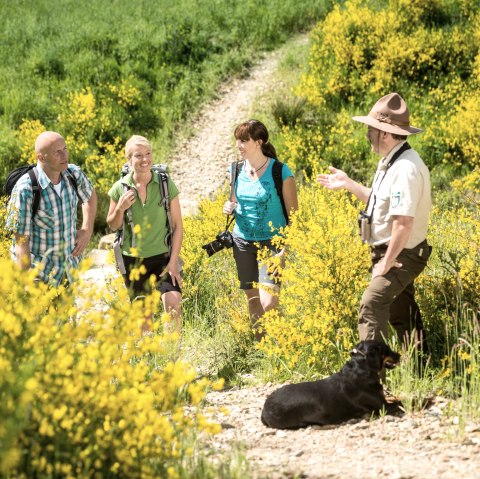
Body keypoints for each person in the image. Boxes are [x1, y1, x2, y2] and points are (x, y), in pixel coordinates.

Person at [317, 93, 431, 351]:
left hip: (402, 253)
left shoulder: (405, 169)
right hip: (395, 250)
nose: (367, 133)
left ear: (385, 134)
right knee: (401, 311)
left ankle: (370, 380)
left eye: (371, 129)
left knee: (371, 305)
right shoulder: (392, 162)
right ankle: (421, 365)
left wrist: (386, 264)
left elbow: (403, 223)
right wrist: (349, 184)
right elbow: (379, 200)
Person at [223, 119, 298, 341]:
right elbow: (234, 200)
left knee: (269, 302)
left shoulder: (281, 172)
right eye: (237, 139)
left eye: (244, 140)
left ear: (259, 142)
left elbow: (295, 217)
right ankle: (262, 350)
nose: (239, 145)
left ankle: (281, 345)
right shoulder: (236, 169)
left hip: (273, 242)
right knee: (253, 299)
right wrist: (229, 207)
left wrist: (285, 252)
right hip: (243, 241)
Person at [107, 135, 183, 335]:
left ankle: (171, 358)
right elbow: (113, 225)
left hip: (163, 257)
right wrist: (121, 208)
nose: (145, 159)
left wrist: (173, 262)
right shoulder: (119, 188)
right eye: (138, 155)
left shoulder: (166, 184)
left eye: (148, 154)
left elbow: (177, 226)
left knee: (173, 304)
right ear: (129, 160)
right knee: (144, 319)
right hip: (133, 261)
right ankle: (149, 360)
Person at [6, 131, 97, 285]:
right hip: (38, 275)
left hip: (69, 272)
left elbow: (90, 195)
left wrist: (87, 230)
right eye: (57, 152)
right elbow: (21, 241)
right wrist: (26, 281)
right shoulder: (26, 189)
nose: (64, 156)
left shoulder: (73, 174)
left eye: (65, 149)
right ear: (41, 157)